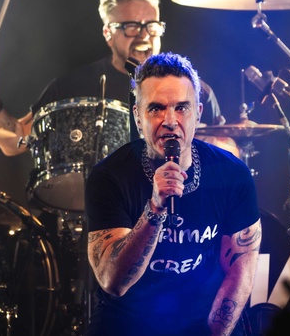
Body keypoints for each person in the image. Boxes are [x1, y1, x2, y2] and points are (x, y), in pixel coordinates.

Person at [85, 52, 261, 336]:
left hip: (202, 322)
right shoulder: (109, 177)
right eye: (156, 108)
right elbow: (113, 282)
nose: (169, 120)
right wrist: (155, 208)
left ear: (198, 113)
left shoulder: (231, 174)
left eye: (181, 108)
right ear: (138, 116)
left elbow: (241, 268)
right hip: (126, 322)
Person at [0, 0, 230, 157]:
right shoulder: (71, 88)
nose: (144, 36)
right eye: (131, 26)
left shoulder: (193, 91)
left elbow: (226, 150)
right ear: (108, 32)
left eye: (152, 26)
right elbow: (15, 142)